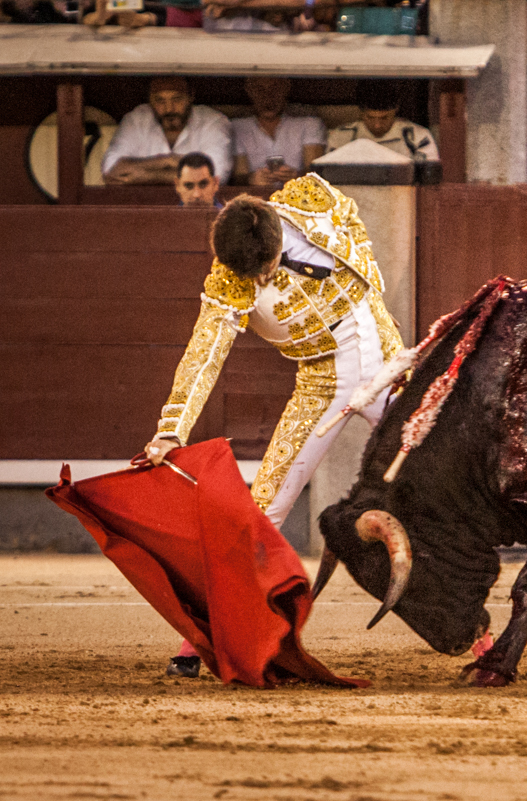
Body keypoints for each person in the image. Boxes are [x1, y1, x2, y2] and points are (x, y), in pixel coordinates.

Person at [143, 174, 404, 677]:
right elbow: (205, 354)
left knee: (440, 480)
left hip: (384, 360)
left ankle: (482, 635)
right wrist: (173, 428)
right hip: (319, 378)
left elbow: (355, 229)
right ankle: (196, 639)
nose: (258, 282)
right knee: (262, 509)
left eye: (260, 269)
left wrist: (369, 308)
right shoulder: (229, 276)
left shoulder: (312, 197)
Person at [102, 77, 232, 186]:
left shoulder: (212, 121)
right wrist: (166, 161)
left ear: (191, 96)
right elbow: (111, 171)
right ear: (150, 100)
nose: (169, 108)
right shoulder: (137, 119)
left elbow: (216, 176)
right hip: (142, 206)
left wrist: (148, 176)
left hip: (195, 207)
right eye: (160, 100)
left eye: (177, 99)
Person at [232, 76, 326, 186]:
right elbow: (239, 176)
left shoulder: (309, 123)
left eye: (275, 89)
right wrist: (251, 179)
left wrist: (296, 177)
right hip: (256, 198)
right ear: (249, 91)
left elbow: (315, 173)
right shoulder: (239, 127)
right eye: (260, 90)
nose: (268, 97)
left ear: (286, 88)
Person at [326, 80, 439, 161]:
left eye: (384, 118)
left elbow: (427, 181)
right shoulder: (340, 137)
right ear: (360, 113)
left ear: (396, 111)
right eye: (370, 117)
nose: (377, 125)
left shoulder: (417, 137)